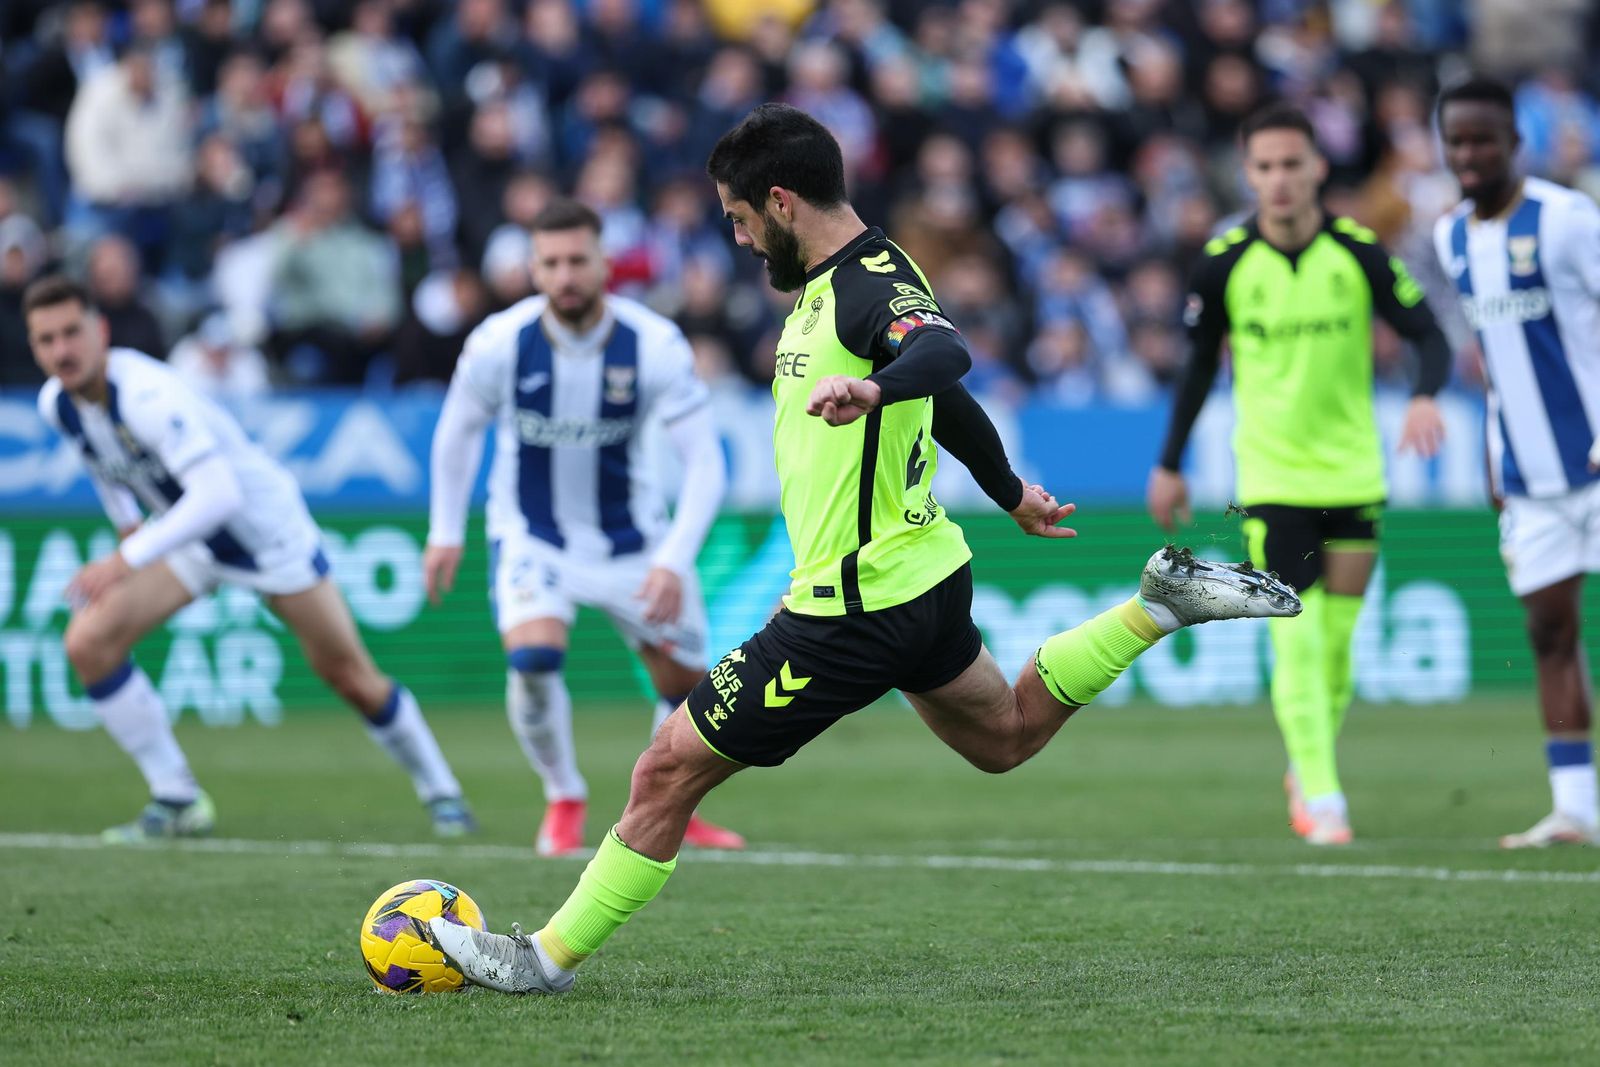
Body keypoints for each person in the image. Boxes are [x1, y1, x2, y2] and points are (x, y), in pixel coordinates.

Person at [425, 104, 1301, 994]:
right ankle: (1159, 603)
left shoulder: (863, 287)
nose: (737, 238)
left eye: (738, 217)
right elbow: (946, 398)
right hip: (920, 580)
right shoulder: (862, 272)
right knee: (1004, 736)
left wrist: (874, 390)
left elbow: (944, 356)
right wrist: (1007, 491)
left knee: (664, 769)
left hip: (856, 609)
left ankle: (543, 960)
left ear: (780, 201)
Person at [24, 275, 475, 843]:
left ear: (101, 331)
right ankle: (177, 798)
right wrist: (128, 527)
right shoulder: (57, 404)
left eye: (72, 332)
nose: (62, 350)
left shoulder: (148, 397)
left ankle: (443, 792)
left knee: (350, 676)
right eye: (46, 340)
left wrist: (127, 556)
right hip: (191, 539)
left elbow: (220, 496)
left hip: (265, 534)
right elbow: (101, 461)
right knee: (88, 642)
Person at [1148, 104, 1452, 846]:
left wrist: (1422, 393)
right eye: (1265, 167)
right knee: (1297, 638)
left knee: (1341, 647)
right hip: (1274, 480)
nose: (1280, 180)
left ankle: (1305, 764)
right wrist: (1169, 463)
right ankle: (1323, 795)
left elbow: (1429, 335)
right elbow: (1193, 369)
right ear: (1248, 174)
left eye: (1293, 164)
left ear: (1318, 167)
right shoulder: (1223, 260)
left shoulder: (1358, 251)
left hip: (1353, 474)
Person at [424, 198, 744, 856]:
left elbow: (708, 463)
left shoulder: (652, 344)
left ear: (604, 264)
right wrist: (445, 530)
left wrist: (674, 560)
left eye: (578, 260)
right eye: (551, 263)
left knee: (687, 687)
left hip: (636, 543)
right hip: (534, 535)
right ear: (533, 270)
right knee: (534, 657)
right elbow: (456, 433)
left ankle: (672, 805)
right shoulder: (498, 343)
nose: (565, 275)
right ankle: (563, 794)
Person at [1434, 76, 1600, 848]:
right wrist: (1496, 457)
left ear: (1513, 144)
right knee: (1549, 632)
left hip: (1596, 460)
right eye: (1456, 142)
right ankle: (1575, 807)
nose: (1468, 155)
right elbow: (1494, 359)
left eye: (1482, 140)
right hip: (1529, 479)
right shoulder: (1451, 237)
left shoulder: (1567, 220)